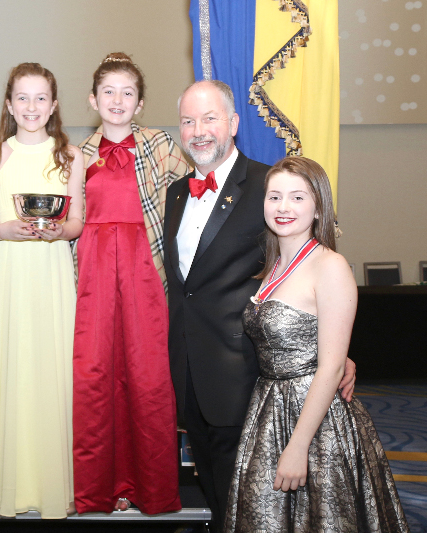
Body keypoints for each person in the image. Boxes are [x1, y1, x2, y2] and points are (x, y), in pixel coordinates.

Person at [163, 81, 356, 530]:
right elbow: (186, 290)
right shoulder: (176, 193)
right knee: (216, 498)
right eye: (188, 121)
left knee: (256, 508)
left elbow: (313, 267)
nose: (199, 131)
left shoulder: (270, 188)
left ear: (232, 124)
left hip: (248, 380)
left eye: (210, 118)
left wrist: (335, 351)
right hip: (189, 374)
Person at [224, 156, 408, 531]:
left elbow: (331, 367)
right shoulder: (271, 267)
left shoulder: (331, 266)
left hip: (316, 420)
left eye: (297, 197)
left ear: (318, 206)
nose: (284, 207)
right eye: (274, 197)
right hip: (269, 408)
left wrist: (298, 446)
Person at [72, 52, 188, 515]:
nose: (117, 100)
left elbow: (195, 192)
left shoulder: (160, 145)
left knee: (148, 376)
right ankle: (97, 488)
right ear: (92, 99)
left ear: (140, 103)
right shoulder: (74, 156)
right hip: (94, 274)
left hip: (146, 271)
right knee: (94, 376)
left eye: (128, 92)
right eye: (108, 91)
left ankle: (153, 488)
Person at [0, 62, 85, 518]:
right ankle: (10, 484)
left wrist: (58, 232)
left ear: (54, 105)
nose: (32, 107)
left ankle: (60, 484)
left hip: (53, 274)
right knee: (13, 370)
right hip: (10, 276)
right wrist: (3, 229)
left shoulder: (72, 156)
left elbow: (77, 220)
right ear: (8, 104)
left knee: (54, 374)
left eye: (41, 98)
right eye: (23, 97)